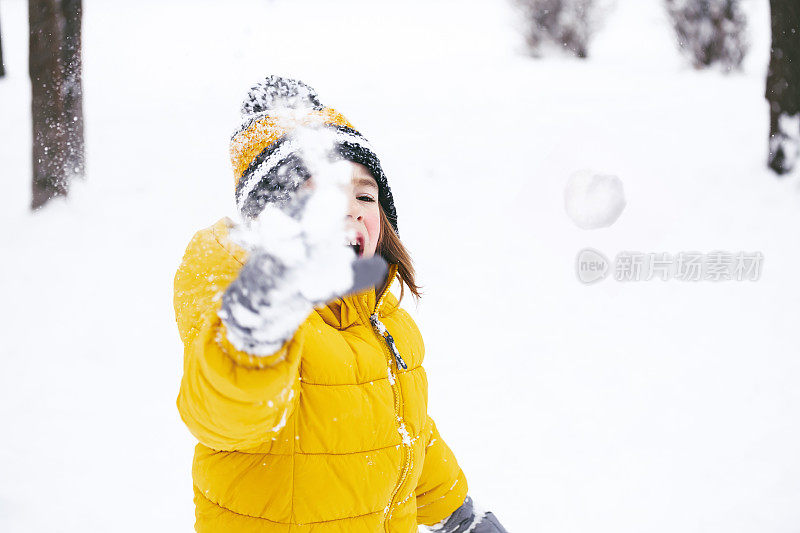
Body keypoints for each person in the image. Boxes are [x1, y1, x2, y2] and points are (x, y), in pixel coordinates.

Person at [174, 76, 509, 533]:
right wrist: (257, 330)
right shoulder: (241, 296)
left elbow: (404, 432)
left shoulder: (384, 319)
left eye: (365, 195)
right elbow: (226, 415)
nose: (350, 209)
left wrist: (457, 514)